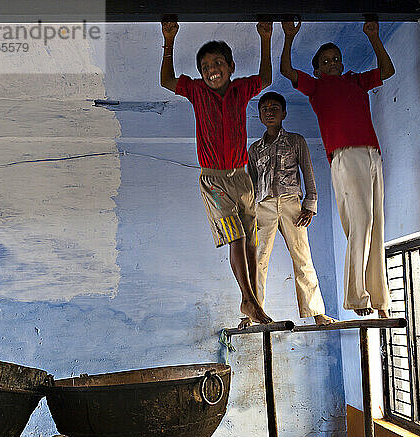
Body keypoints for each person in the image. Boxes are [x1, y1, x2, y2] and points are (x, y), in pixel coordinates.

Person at [160, 21, 273, 326]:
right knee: (235, 237)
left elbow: (266, 77)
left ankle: (254, 302)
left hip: (242, 178)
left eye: (218, 63)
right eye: (206, 65)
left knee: (251, 241)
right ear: (200, 73)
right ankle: (247, 299)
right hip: (214, 180)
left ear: (231, 66)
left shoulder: (241, 89)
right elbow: (166, 80)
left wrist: (266, 37)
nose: (212, 69)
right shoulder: (196, 91)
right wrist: (168, 40)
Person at [280, 20, 395, 318]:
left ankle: (379, 300)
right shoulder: (317, 87)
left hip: (372, 154)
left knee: (376, 225)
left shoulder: (356, 81)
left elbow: (387, 71)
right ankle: (357, 297)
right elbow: (287, 72)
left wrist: (373, 37)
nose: (332, 63)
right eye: (326, 61)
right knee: (361, 224)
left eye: (336, 59)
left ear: (342, 63)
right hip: (345, 158)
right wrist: (289, 36)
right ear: (317, 69)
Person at [247, 91, 335, 327]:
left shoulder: (296, 140)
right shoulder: (255, 149)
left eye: (274, 107)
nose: (269, 111)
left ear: (284, 113)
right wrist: (249, 212)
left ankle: (316, 312)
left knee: (302, 256)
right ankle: (253, 313)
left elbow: (308, 171)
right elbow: (252, 182)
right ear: (260, 116)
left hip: (291, 204)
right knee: (258, 260)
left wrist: (310, 204)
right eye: (264, 108)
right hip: (262, 205)